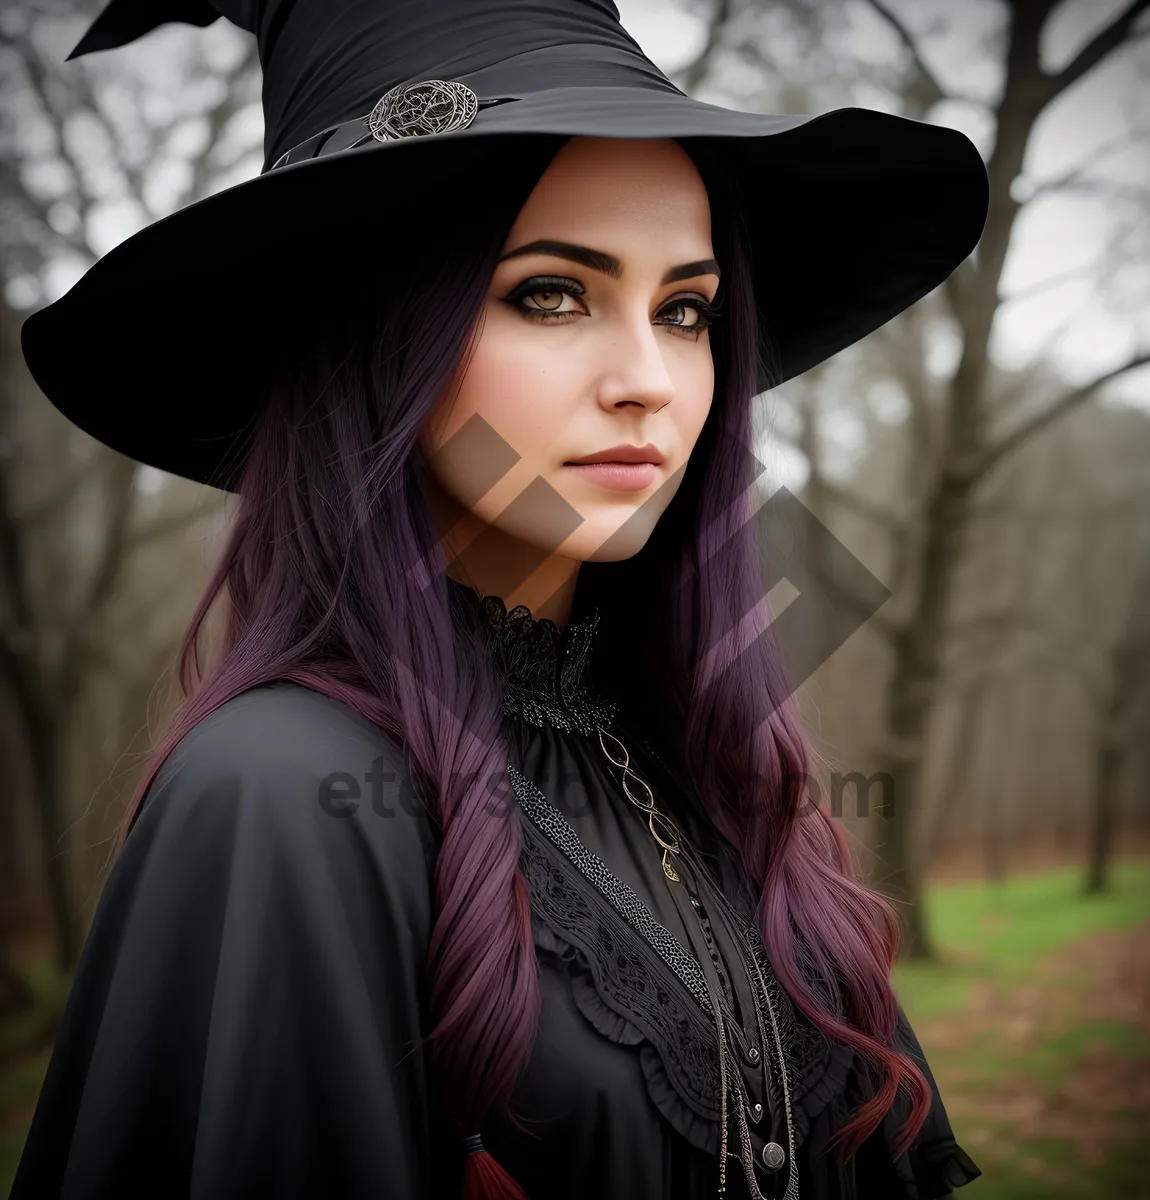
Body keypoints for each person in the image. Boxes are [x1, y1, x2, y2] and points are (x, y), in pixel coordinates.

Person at [11, 2, 990, 1198]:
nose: (649, 382)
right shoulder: (277, 790)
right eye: (551, 294)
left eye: (686, 310)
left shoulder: (701, 758)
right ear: (377, 337)